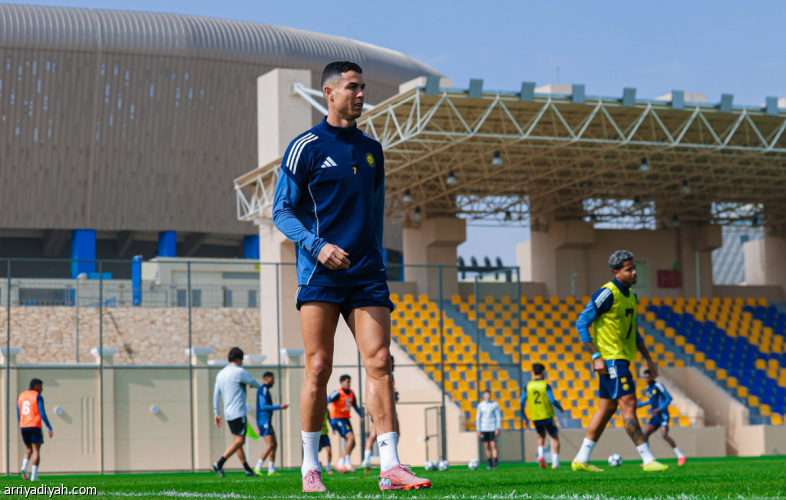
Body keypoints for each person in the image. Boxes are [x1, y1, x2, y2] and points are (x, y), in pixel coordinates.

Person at [272, 60, 431, 492]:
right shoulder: (304, 147)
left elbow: (375, 213)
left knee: (380, 362)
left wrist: (375, 258)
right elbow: (281, 211)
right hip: (319, 273)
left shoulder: (372, 149)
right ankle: (310, 467)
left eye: (362, 88)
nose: (361, 95)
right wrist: (317, 246)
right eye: (353, 88)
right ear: (329, 93)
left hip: (366, 273)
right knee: (318, 367)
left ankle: (391, 467)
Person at [571, 250, 669, 473]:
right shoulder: (607, 293)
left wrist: (648, 358)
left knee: (606, 408)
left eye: (634, 268)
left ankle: (581, 458)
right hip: (612, 360)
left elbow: (633, 332)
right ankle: (648, 459)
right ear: (616, 272)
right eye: (629, 269)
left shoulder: (632, 296)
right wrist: (596, 356)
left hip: (621, 359)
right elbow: (581, 323)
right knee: (629, 404)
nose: (634, 272)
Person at [212, 347, 261, 477]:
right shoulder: (239, 372)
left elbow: (216, 394)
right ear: (239, 359)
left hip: (228, 413)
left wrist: (216, 412)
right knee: (240, 441)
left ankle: (247, 469)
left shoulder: (221, 373)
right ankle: (219, 464)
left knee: (237, 442)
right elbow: (256, 384)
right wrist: (251, 384)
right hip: (238, 412)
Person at [521, 363, 564, 469]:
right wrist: (560, 407)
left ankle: (541, 455)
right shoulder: (545, 385)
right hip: (547, 415)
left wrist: (524, 417)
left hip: (535, 416)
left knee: (541, 436)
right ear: (543, 372)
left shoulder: (528, 385)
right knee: (555, 437)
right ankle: (555, 463)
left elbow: (521, 402)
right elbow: (552, 400)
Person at [362, 355, 400, 474]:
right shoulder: (387, 374)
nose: (392, 364)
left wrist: (394, 395)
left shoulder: (379, 374)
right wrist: (394, 396)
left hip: (380, 406)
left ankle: (368, 460)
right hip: (384, 407)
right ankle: (388, 460)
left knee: (376, 434)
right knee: (379, 433)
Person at [641, 369, 686, 466]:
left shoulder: (658, 385)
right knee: (645, 434)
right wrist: (638, 405)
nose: (646, 379)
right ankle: (648, 459)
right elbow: (651, 401)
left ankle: (681, 456)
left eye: (648, 377)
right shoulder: (648, 387)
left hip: (663, 415)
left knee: (664, 434)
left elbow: (669, 397)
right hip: (655, 416)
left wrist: (660, 408)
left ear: (652, 376)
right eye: (645, 377)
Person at [254, 372, 289, 475]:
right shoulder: (263, 389)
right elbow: (263, 406)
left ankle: (271, 469)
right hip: (264, 421)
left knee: (274, 444)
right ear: (267, 378)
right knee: (270, 444)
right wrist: (279, 406)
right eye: (272, 379)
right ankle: (257, 467)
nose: (274, 381)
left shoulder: (265, 390)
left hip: (267, 421)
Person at [18, 378, 53, 481]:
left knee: (28, 449)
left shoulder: (21, 396)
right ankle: (34, 476)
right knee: (36, 450)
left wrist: (21, 426)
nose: (42, 389)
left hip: (24, 426)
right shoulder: (37, 396)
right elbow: (42, 413)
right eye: (41, 386)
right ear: (36, 386)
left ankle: (24, 466)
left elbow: (18, 413)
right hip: (34, 425)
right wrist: (49, 427)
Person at [328, 374, 364, 473]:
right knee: (350, 438)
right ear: (342, 382)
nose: (349, 384)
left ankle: (343, 462)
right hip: (337, 418)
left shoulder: (351, 393)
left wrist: (361, 415)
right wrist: (331, 424)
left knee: (353, 443)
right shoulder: (337, 392)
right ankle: (345, 463)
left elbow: (355, 405)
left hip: (345, 419)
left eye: (350, 382)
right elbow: (327, 400)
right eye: (347, 382)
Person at [475, 390, 502, 470]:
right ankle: (490, 464)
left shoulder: (494, 404)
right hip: (484, 428)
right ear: (483, 396)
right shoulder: (480, 405)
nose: (488, 396)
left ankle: (495, 464)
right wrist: (478, 429)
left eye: (489, 395)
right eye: (487, 395)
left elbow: (498, 416)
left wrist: (497, 428)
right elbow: (478, 418)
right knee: (487, 446)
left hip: (492, 428)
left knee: (493, 445)